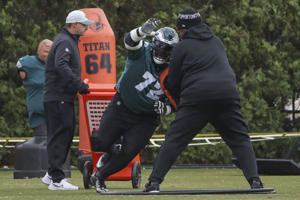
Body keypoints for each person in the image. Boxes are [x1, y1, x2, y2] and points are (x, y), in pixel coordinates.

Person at [144, 8, 264, 192]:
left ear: (183, 29)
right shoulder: (217, 42)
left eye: (179, 30)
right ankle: (255, 182)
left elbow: (173, 82)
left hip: (197, 98)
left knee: (174, 141)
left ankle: (154, 183)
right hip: (227, 94)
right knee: (240, 140)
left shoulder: (181, 47)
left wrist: (176, 104)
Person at [90, 18, 179, 193]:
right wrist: (141, 31)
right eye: (161, 48)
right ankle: (109, 150)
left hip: (146, 118)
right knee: (99, 142)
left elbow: (179, 101)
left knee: (129, 151)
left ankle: (100, 177)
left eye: (168, 51)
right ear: (154, 44)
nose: (162, 54)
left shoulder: (175, 70)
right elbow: (129, 41)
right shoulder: (142, 51)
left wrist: (166, 108)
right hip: (121, 106)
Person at [41, 10, 94, 190]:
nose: (86, 27)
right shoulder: (65, 41)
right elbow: (61, 65)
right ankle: (56, 179)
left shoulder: (68, 40)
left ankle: (51, 174)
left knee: (64, 134)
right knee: (61, 136)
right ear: (74, 24)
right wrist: (78, 84)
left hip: (60, 97)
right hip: (58, 97)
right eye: (84, 24)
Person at [16, 39, 53, 136]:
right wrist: (21, 69)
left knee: (59, 145)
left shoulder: (55, 65)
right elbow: (20, 63)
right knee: (43, 144)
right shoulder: (28, 62)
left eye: (50, 52)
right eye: (45, 51)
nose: (48, 55)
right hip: (39, 116)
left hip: (55, 114)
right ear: (39, 50)